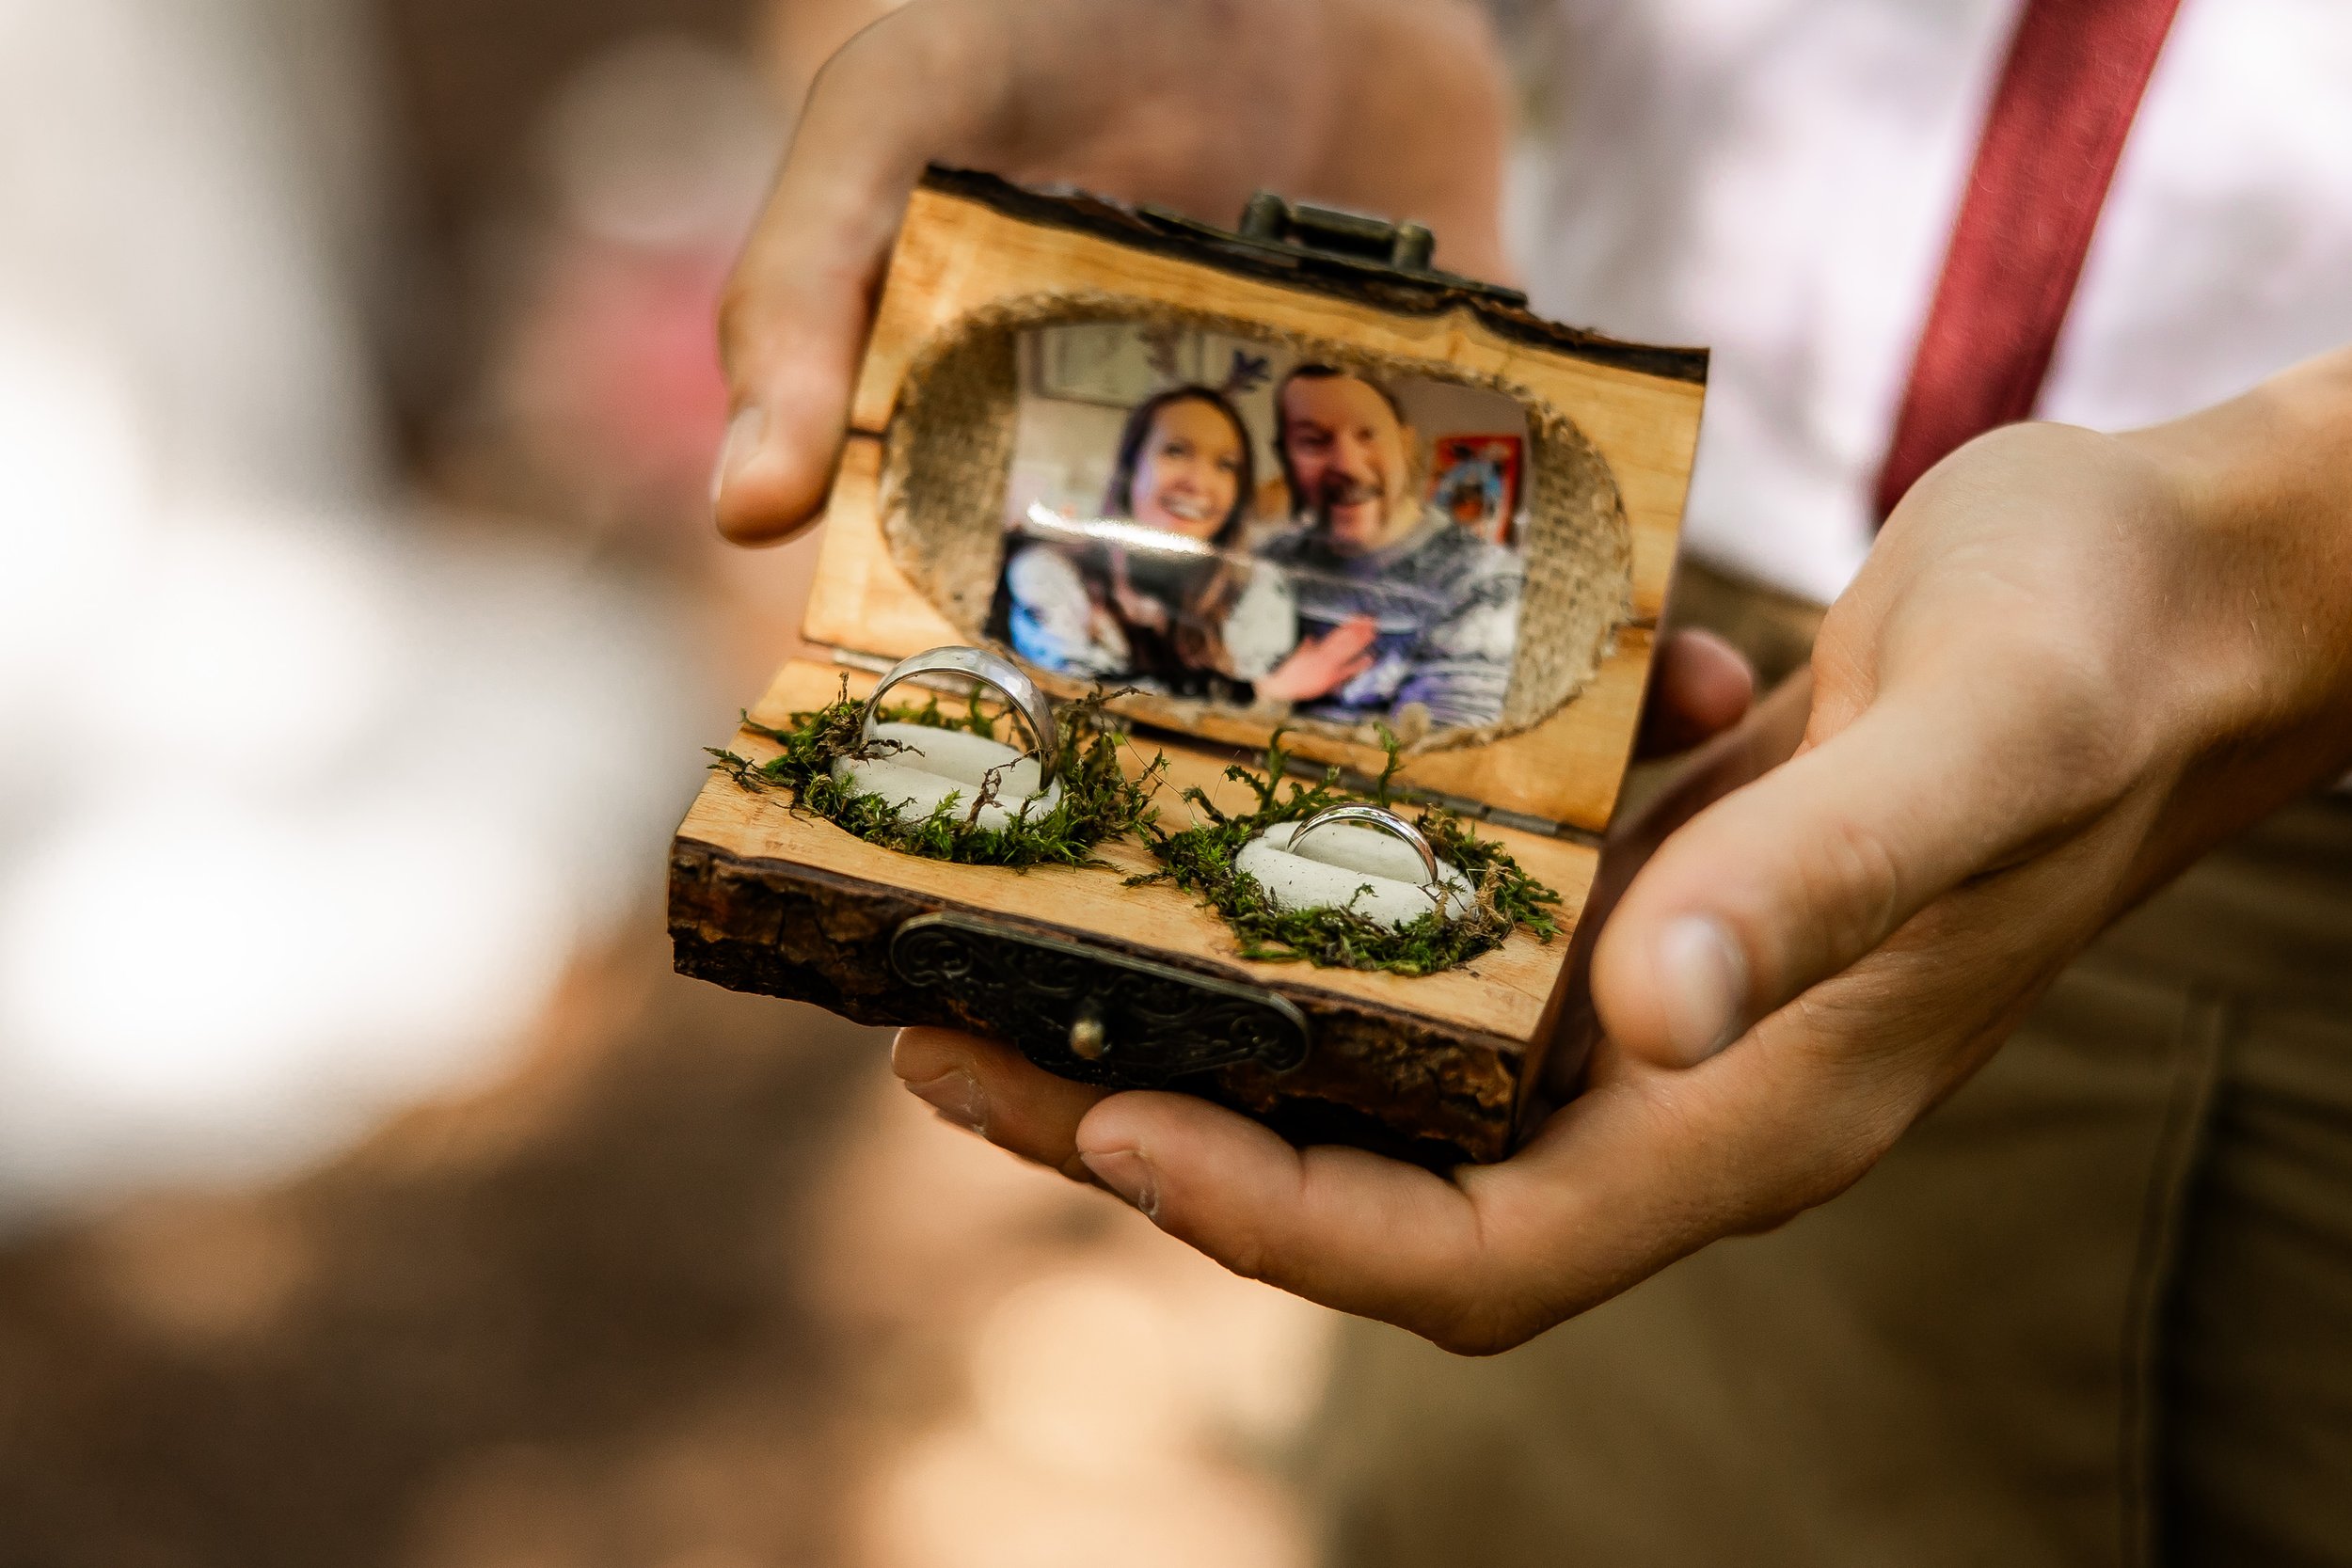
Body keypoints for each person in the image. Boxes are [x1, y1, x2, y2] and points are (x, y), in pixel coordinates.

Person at [708, 1, 2352, 1560]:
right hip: (1721, 637)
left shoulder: (1370, 595)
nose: (1303, 478)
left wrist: (2304, 557)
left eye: (1310, 461)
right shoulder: (1127, 583)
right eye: (1224, 467)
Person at [1000, 383, 1376, 701]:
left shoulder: (1257, 590)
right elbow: (1073, 701)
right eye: (1176, 451)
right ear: (1131, 469)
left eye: (1225, 465)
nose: (1199, 483)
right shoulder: (1049, 573)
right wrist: (1261, 691)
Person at [1256, 363, 1524, 728]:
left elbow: (1438, 762)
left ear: (1406, 444)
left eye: (1367, 434)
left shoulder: (1484, 582)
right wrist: (1268, 692)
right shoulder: (1269, 561)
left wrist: (1268, 697)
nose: (1347, 465)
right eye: (1313, 441)